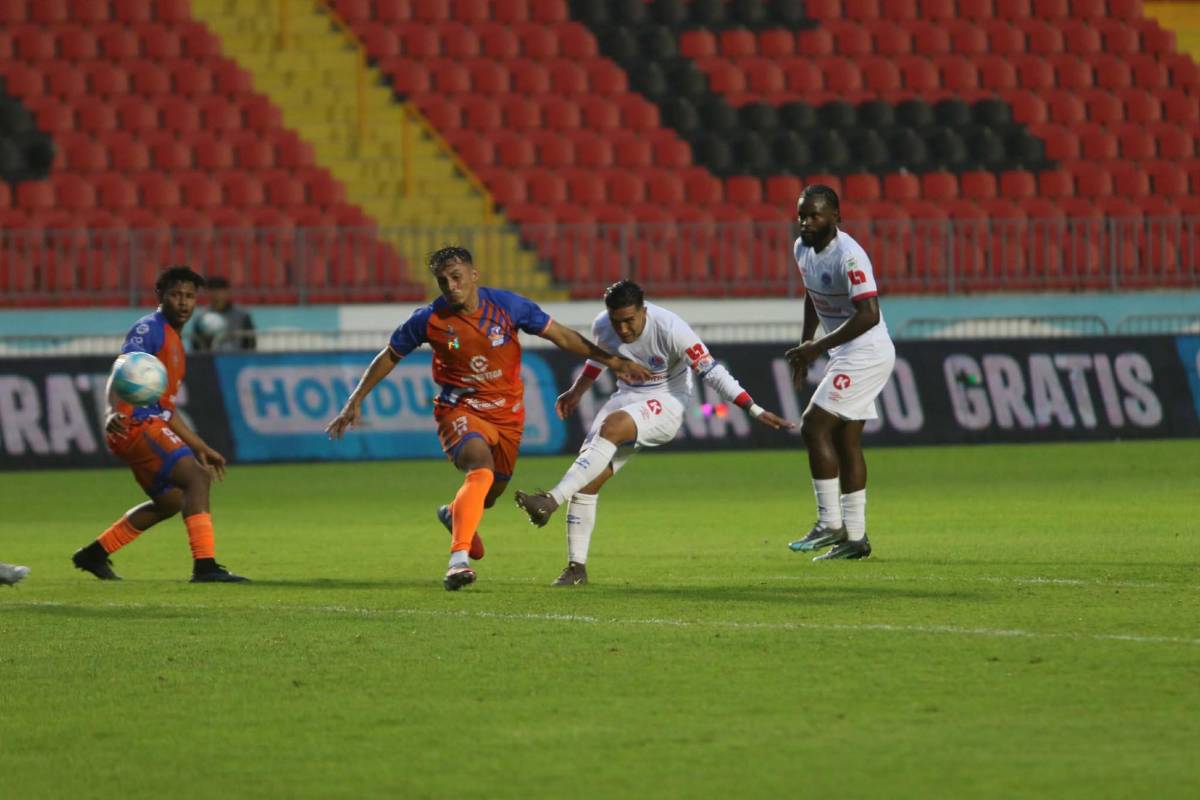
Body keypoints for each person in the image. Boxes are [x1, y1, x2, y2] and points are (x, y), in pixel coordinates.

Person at [325, 246, 652, 591]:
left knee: (490, 494)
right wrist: (355, 400)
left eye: (457, 277)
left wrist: (614, 362)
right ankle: (457, 562)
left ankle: (455, 514)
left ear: (474, 275)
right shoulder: (429, 319)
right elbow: (390, 356)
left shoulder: (509, 307)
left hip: (508, 415)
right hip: (459, 409)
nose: (451, 286)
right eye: (443, 281)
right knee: (478, 469)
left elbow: (562, 336)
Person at [514, 280, 794, 586]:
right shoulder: (602, 325)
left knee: (612, 427)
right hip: (626, 398)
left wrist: (754, 409)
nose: (622, 329)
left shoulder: (671, 328)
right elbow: (599, 358)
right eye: (616, 321)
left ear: (643, 311)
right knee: (586, 482)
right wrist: (577, 390)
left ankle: (550, 500)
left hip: (668, 402)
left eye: (629, 321)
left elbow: (712, 371)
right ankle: (576, 568)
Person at [71, 266, 249, 583]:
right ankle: (205, 566)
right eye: (176, 294)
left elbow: (167, 408)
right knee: (197, 478)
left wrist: (201, 446)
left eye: (190, 296)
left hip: (145, 423)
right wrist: (113, 411)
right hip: (135, 423)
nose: (183, 302)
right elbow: (123, 368)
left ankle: (94, 554)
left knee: (170, 502)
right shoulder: (149, 329)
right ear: (161, 296)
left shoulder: (175, 342)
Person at [784, 185, 895, 561]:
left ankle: (830, 522)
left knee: (813, 425)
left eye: (814, 215)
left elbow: (870, 314)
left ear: (835, 217)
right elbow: (811, 295)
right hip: (843, 351)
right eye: (802, 215)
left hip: (866, 351)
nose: (806, 222)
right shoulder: (801, 249)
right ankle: (856, 538)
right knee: (847, 440)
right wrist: (806, 344)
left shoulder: (849, 256)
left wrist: (816, 347)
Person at [190, 276, 256, 351]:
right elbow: (196, 346)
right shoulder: (201, 318)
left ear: (227, 292)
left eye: (220, 291)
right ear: (207, 293)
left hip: (237, 359)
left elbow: (250, 343)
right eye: (212, 290)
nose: (216, 295)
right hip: (210, 360)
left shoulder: (242, 315)